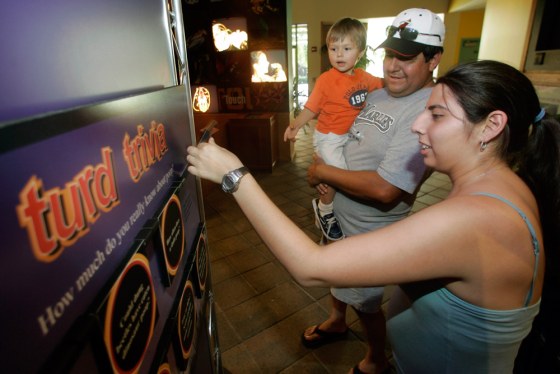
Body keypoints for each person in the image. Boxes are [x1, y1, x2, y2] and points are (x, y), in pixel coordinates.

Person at [187, 59, 560, 373]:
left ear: (491, 126)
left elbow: (309, 265)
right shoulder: (510, 186)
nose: (417, 125)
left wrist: (234, 176)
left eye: (436, 114)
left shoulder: (474, 218)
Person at [303, 8, 444, 374]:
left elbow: (386, 190)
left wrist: (324, 170)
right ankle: (336, 321)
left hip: (371, 227)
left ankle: (377, 359)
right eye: (389, 55)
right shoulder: (378, 94)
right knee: (337, 278)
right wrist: (327, 171)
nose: (393, 66)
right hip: (340, 215)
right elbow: (351, 135)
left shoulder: (427, 112)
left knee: (366, 302)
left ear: (433, 60)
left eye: (407, 57)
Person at [284, 17, 384, 241]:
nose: (339, 54)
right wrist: (295, 125)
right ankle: (324, 210)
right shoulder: (326, 80)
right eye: (333, 48)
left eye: (346, 48)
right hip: (329, 137)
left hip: (349, 137)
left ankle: (333, 208)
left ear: (360, 52)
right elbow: (311, 107)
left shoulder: (364, 78)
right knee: (338, 174)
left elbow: (385, 85)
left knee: (345, 173)